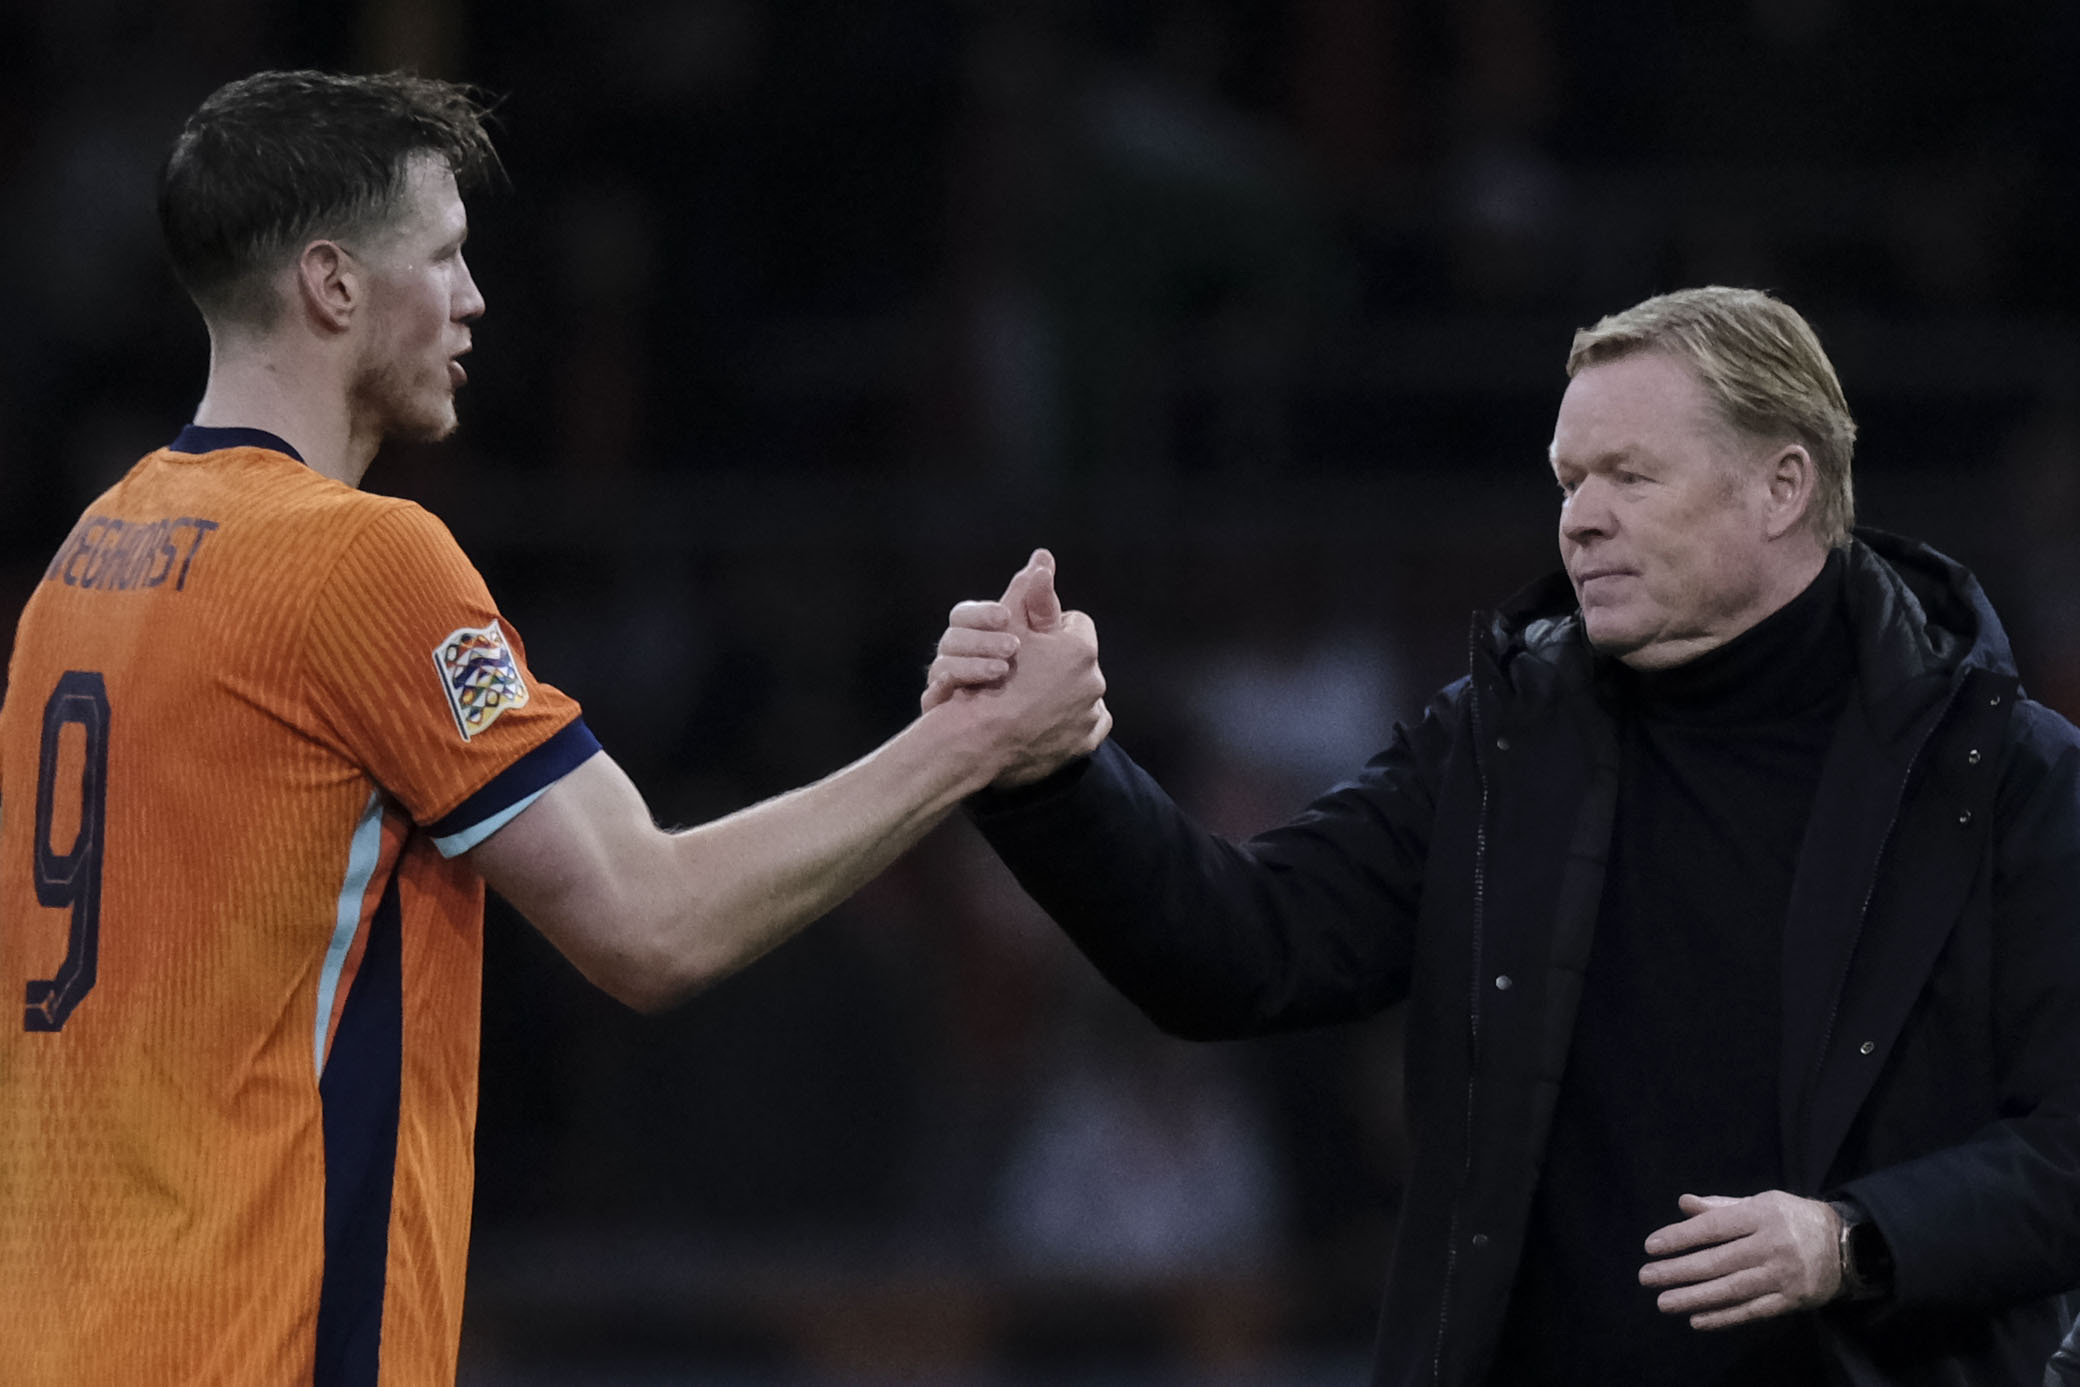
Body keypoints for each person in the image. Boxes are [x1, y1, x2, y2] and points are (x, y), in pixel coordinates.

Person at [0, 70, 1108, 1387]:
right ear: (334, 285)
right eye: (449, 257)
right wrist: (975, 740)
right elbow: (650, 920)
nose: (475, 300)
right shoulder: (361, 563)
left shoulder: (82, 564)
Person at [926, 286, 2080, 1385]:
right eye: (1568, 480)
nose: (1579, 517)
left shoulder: (2005, 779)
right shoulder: (1501, 748)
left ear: (1780, 487)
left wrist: (1850, 1239)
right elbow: (1240, 946)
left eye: (1629, 474)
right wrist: (1055, 774)